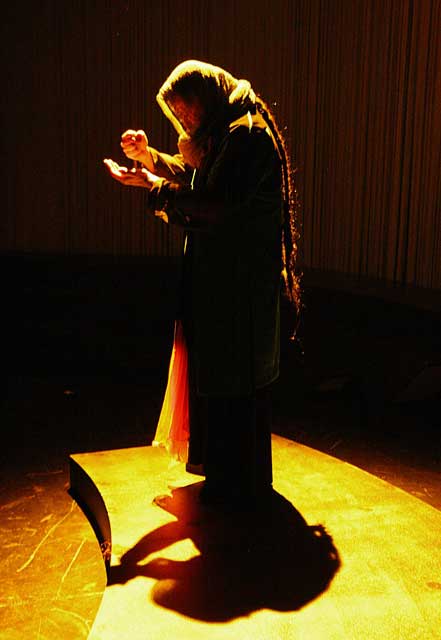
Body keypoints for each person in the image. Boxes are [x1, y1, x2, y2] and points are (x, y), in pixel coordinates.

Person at [104, 60, 300, 507]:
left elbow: (215, 203)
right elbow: (198, 175)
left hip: (241, 286)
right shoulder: (225, 132)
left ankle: (239, 488)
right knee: (224, 381)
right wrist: (149, 160)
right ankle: (229, 482)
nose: (184, 120)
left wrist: (155, 187)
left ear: (206, 97)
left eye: (186, 110)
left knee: (237, 385)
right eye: (177, 114)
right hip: (226, 284)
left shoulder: (246, 136)